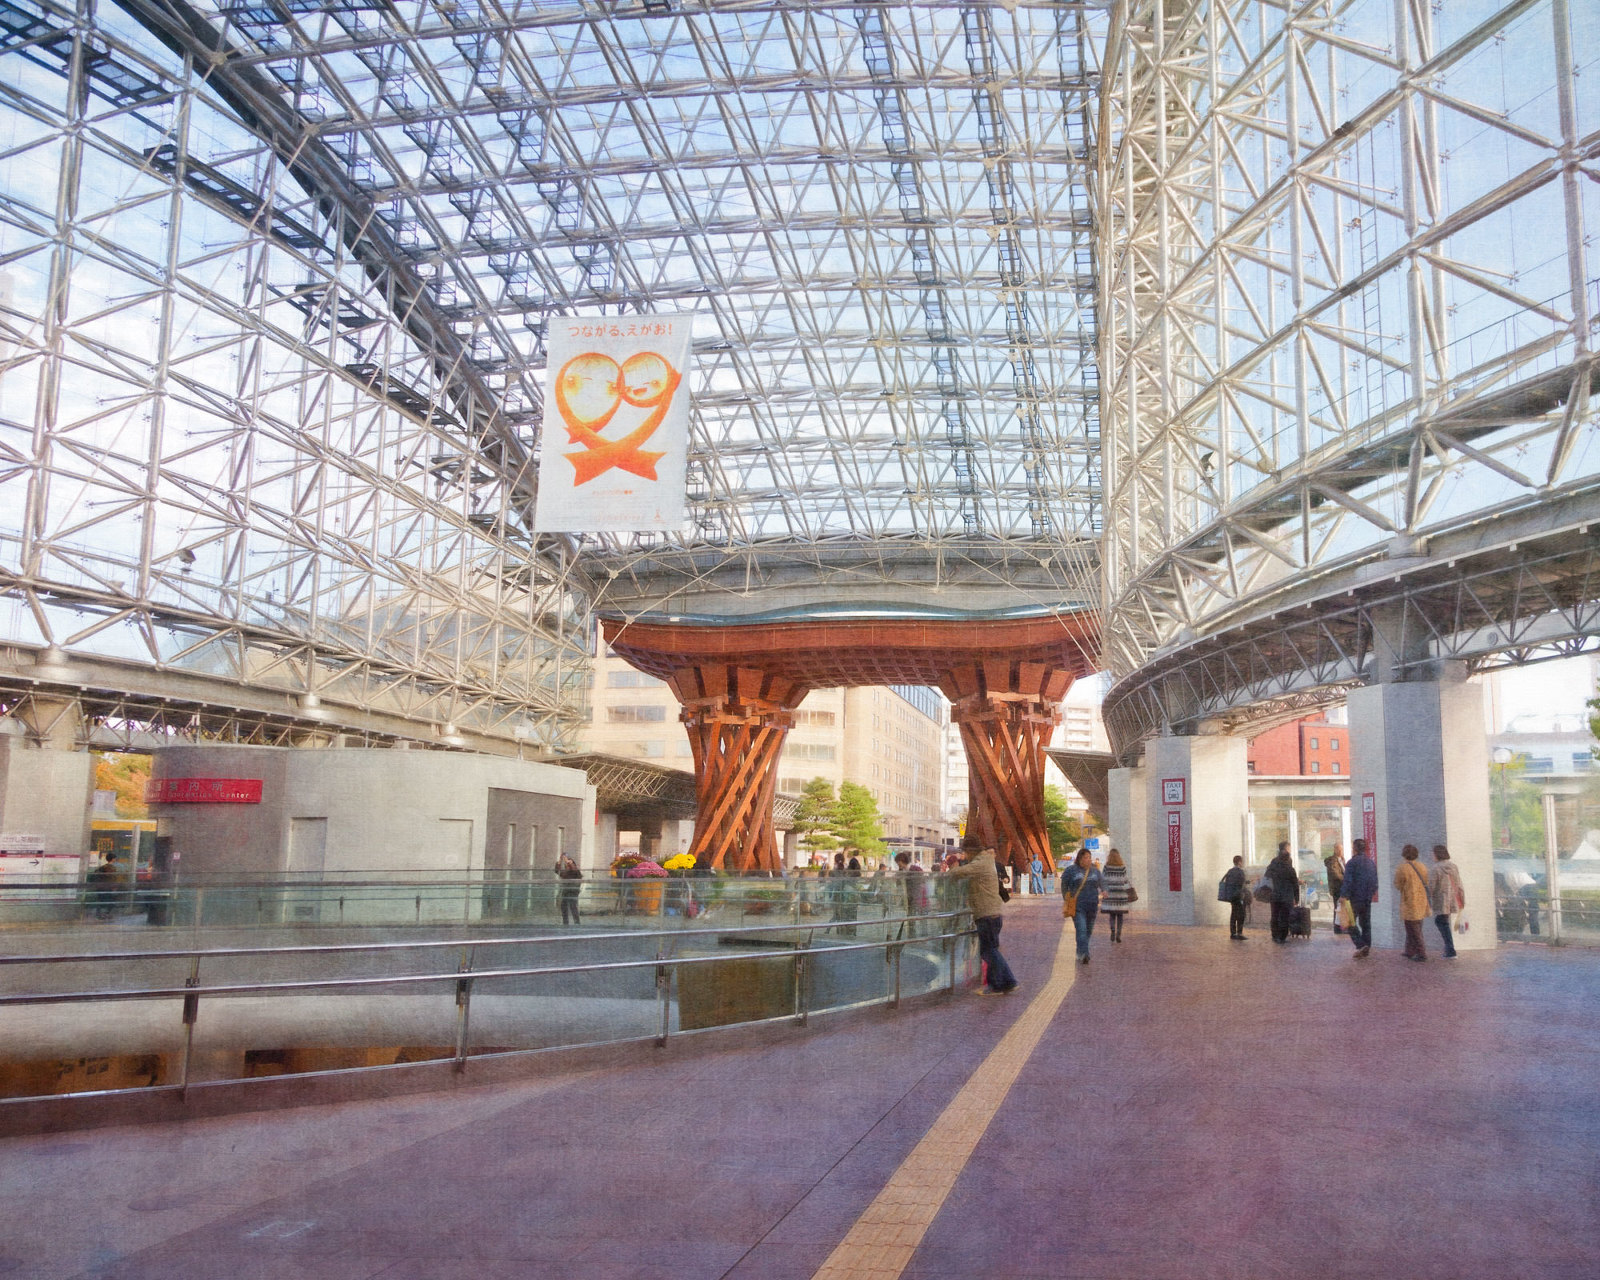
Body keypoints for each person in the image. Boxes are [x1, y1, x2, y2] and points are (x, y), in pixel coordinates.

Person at [945, 836, 1017, 994]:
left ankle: (1009, 980)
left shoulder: (981, 862)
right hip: (991, 912)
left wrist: (953, 869)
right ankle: (995, 985)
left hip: (987, 913)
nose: (965, 855)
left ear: (971, 851)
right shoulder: (985, 860)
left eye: (966, 851)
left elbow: (962, 872)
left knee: (988, 950)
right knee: (992, 949)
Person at [1061, 847, 1103, 964]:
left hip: (1092, 905)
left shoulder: (1095, 871)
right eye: (1086, 857)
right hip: (1078, 905)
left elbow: (1102, 882)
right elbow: (1064, 884)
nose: (1088, 860)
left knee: (1088, 930)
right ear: (1080, 858)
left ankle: (1081, 950)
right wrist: (1066, 898)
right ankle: (1084, 954)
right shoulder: (1071, 870)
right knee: (1081, 929)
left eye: (1089, 857)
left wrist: (1105, 890)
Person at [1427, 844, 1465, 959]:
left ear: (1437, 854)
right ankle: (1449, 949)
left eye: (1433, 853)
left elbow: (1431, 886)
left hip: (1441, 899)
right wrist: (1462, 898)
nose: (1431, 855)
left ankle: (1450, 950)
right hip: (1452, 899)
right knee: (1443, 922)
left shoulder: (1435, 868)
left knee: (1441, 922)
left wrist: (1427, 899)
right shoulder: (1453, 866)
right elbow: (1459, 883)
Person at [1395, 843, 1431, 961]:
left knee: (1412, 928)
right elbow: (1426, 881)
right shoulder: (1422, 866)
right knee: (1416, 926)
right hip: (1421, 900)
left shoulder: (1402, 868)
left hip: (1409, 901)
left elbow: (1398, 884)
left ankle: (1422, 953)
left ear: (1404, 855)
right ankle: (1409, 950)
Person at [1341, 837, 1377, 957]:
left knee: (1350, 922)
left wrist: (1344, 895)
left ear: (1354, 849)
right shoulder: (1371, 862)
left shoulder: (1352, 863)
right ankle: (1366, 945)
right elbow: (1374, 881)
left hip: (1354, 899)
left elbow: (1348, 881)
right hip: (1366, 898)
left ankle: (1361, 945)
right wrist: (1371, 893)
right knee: (1366, 923)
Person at [1265, 841, 1300, 943]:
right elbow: (1295, 885)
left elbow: (1267, 876)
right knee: (1285, 917)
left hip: (1275, 895)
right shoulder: (1290, 869)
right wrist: (1296, 898)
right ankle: (1282, 936)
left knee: (1275, 915)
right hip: (1286, 897)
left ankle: (1275, 935)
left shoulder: (1273, 865)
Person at [1099, 848, 1132, 942]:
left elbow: (1103, 879)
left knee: (1112, 914)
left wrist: (1104, 889)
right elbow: (1125, 880)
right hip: (1120, 893)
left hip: (1110, 893)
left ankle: (1113, 931)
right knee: (1120, 915)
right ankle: (1119, 934)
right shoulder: (1122, 867)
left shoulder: (1106, 867)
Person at [894, 850, 927, 936]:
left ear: (901, 861)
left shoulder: (915, 870)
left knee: (920, 916)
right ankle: (912, 934)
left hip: (917, 897)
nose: (898, 864)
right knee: (911, 916)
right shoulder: (901, 872)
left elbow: (921, 883)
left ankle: (923, 934)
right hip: (909, 898)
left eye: (898, 862)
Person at [1222, 854, 1249, 940]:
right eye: (1242, 862)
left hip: (1231, 896)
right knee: (1241, 914)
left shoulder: (1230, 871)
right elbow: (1242, 883)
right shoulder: (1240, 872)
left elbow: (1226, 881)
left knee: (1233, 914)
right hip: (1239, 896)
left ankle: (1233, 933)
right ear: (1239, 862)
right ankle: (1240, 933)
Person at [1324, 844, 1346, 933]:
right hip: (1337, 887)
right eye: (1338, 849)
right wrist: (1346, 879)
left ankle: (1342, 926)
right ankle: (1337, 928)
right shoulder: (1333, 861)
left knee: (1342, 907)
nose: (1340, 851)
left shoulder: (1342, 859)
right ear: (1334, 849)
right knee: (1338, 907)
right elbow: (1335, 874)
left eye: (1341, 849)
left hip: (1343, 887)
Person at [556, 854, 583, 925]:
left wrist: (568, 861)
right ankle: (566, 922)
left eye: (568, 865)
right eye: (566, 865)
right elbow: (557, 871)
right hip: (566, 891)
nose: (567, 866)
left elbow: (574, 869)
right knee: (564, 906)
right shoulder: (566, 873)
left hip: (573, 891)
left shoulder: (576, 872)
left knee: (573, 906)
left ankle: (577, 922)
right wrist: (559, 862)